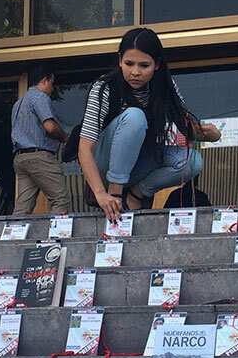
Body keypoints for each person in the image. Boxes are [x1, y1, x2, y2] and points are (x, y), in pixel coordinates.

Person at [77, 28, 221, 222]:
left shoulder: (165, 87)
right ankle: (116, 193)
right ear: (119, 60)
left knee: (193, 161)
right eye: (129, 64)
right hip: (104, 167)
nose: (135, 72)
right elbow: (84, 148)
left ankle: (136, 194)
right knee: (135, 116)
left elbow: (187, 128)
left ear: (157, 65)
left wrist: (213, 135)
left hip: (138, 166)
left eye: (144, 65)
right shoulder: (104, 88)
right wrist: (101, 193)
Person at [10, 64, 70, 216]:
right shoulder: (40, 97)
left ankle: (15, 231)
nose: (52, 88)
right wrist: (65, 137)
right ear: (45, 80)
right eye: (52, 83)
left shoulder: (18, 103)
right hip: (39, 156)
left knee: (22, 208)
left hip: (20, 158)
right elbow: (50, 127)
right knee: (60, 199)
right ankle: (55, 231)